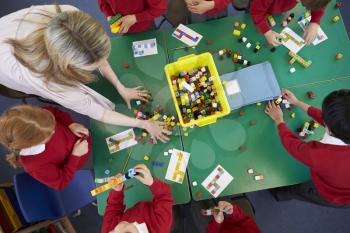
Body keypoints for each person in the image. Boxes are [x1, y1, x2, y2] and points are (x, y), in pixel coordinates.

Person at [0, 4, 171, 143]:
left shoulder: (70, 15)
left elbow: (95, 54)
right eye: (93, 66)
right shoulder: (48, 80)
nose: (102, 64)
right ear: (69, 64)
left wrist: (120, 87)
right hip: (8, 60)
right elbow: (97, 112)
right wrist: (143, 123)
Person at [265, 89, 350, 207]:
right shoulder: (343, 127)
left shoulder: (321, 155)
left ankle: (279, 194)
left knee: (302, 191)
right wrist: (297, 102)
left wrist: (279, 120)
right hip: (343, 179)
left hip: (336, 195)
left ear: (329, 127)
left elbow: (293, 145)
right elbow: (330, 121)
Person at [0, 105, 91, 190]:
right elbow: (61, 182)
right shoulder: (35, 166)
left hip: (82, 137)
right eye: (49, 134)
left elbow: (54, 111)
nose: (54, 131)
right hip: (83, 159)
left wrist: (70, 124)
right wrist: (75, 156)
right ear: (33, 143)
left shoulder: (35, 117)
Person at [102, 164, 173, 233]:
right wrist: (152, 183)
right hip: (157, 210)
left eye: (112, 231)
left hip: (138, 209)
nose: (115, 228)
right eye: (126, 227)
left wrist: (117, 192)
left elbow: (112, 212)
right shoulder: (160, 228)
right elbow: (164, 196)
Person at [250, 0, 331, 45]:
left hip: (276, 8)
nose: (298, 2)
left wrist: (315, 22)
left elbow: (319, 4)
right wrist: (267, 32)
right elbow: (256, 11)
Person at [98, 0, 167, 34]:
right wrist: (109, 15)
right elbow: (103, 2)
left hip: (144, 26)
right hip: (122, 25)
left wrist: (135, 18)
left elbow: (159, 8)